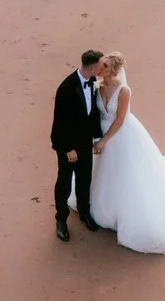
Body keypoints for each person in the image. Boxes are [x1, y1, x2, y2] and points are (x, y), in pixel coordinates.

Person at [84, 51, 165, 254]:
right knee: (106, 173)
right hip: (103, 135)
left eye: (105, 65)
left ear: (114, 70)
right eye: (101, 64)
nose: (100, 68)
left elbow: (119, 120)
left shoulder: (124, 91)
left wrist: (104, 140)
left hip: (120, 134)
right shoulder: (97, 84)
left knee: (127, 173)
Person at [50, 50, 105, 241]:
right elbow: (59, 123)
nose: (102, 68)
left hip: (84, 142)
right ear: (92, 67)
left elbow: (93, 114)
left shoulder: (94, 81)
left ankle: (84, 212)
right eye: (100, 65)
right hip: (68, 145)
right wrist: (68, 149)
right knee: (64, 183)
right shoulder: (66, 88)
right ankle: (61, 220)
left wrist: (97, 137)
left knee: (84, 179)